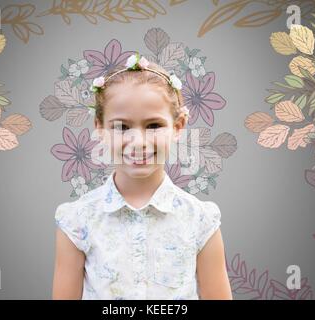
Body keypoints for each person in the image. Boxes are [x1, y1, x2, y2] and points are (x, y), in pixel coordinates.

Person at [52, 53, 232, 299]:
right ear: (100, 128)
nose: (138, 142)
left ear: (178, 127)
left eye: (154, 126)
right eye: (122, 127)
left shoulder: (201, 221)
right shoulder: (77, 221)